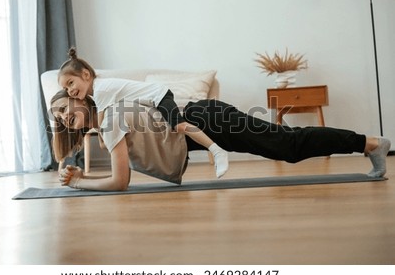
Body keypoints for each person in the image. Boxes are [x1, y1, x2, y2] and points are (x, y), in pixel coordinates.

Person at [50, 90, 391, 191]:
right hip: (205, 118)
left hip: (208, 120)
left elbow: (119, 181)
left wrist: (80, 181)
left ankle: (371, 144)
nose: (64, 117)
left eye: (65, 107)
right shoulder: (107, 118)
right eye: (59, 117)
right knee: (288, 145)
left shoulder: (109, 117)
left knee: (289, 145)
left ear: (80, 98)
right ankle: (369, 144)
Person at [57, 48, 229, 178]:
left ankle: (216, 150)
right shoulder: (98, 90)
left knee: (179, 125)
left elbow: (104, 135)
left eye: (71, 83)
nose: (70, 90)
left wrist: (106, 142)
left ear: (86, 74)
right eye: (66, 88)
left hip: (159, 96)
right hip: (150, 102)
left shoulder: (101, 90)